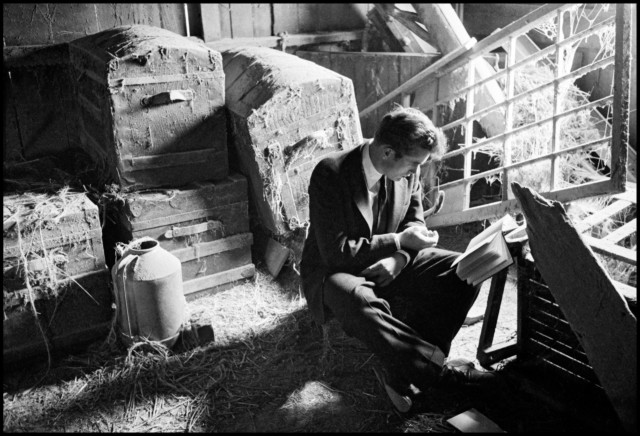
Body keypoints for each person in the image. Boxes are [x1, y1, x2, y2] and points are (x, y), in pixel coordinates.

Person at [300, 106, 500, 414]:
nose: (416, 171)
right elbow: (337, 252)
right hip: (335, 272)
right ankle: (437, 375)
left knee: (463, 270)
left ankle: (401, 370)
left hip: (391, 261)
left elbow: (414, 222)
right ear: (387, 152)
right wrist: (397, 241)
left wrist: (401, 257)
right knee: (359, 302)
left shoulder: (408, 170)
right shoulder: (331, 173)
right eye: (413, 164)